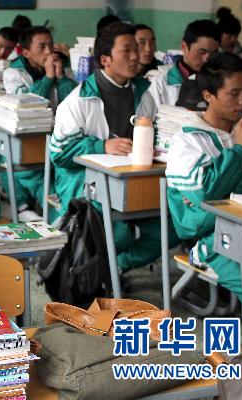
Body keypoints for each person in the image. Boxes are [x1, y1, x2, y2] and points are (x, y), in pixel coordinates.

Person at [165, 52, 242, 344]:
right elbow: (206, 194)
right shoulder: (188, 140)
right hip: (211, 242)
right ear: (208, 96)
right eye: (234, 93)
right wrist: (239, 150)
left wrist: (228, 186)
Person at [50, 22, 169, 272]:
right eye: (127, 51)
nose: (136, 56)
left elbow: (156, 133)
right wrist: (102, 145)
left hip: (134, 178)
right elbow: (59, 154)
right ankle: (98, 271)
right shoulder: (77, 101)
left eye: (136, 49)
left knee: (172, 228)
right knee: (118, 234)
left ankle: (115, 267)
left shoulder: (144, 93)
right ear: (105, 60)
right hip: (84, 181)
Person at [2, 25, 77, 222]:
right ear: (26, 53)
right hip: (29, 142)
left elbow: (75, 103)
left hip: (58, 140)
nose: (49, 51)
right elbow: (26, 106)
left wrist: (61, 78)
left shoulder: (61, 67)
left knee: (67, 180)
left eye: (51, 45)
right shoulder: (13, 74)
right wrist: (48, 78)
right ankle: (45, 216)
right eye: (42, 47)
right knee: (40, 182)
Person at [139, 19, 220, 119]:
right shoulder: (160, 84)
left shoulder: (220, 82)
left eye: (214, 53)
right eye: (202, 52)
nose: (206, 59)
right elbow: (143, 123)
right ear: (184, 47)